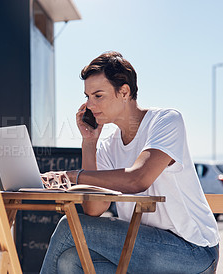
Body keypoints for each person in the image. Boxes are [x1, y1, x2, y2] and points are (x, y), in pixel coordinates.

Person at [40, 51, 219, 273]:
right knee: (70, 261)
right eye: (87, 96)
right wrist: (89, 143)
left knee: (69, 227)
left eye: (98, 95)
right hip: (144, 247)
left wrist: (73, 177)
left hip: (192, 251)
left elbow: (138, 179)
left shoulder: (165, 121)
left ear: (124, 91)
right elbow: (95, 209)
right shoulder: (107, 147)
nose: (89, 105)